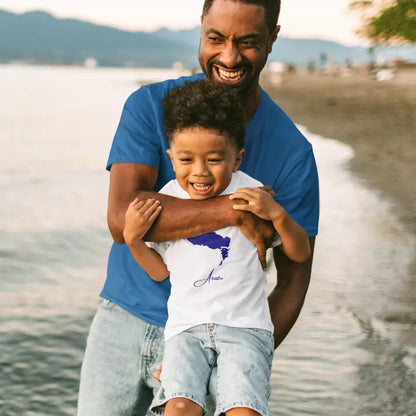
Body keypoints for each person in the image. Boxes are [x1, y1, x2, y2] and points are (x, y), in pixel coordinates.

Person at [77, 0, 319, 415]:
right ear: (201, 28)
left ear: (272, 39)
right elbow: (122, 220)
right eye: (216, 38)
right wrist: (236, 211)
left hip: (221, 340)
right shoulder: (149, 106)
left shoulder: (292, 153)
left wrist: (246, 354)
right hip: (123, 322)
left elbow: (294, 278)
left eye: (247, 42)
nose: (228, 56)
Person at [123, 79, 311, 416]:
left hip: (245, 329)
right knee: (178, 407)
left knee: (244, 411)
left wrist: (279, 216)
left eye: (213, 159)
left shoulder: (255, 194)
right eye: (185, 159)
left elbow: (299, 253)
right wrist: (134, 239)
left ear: (237, 159)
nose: (199, 172)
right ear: (171, 157)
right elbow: (158, 271)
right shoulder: (167, 202)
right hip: (186, 332)